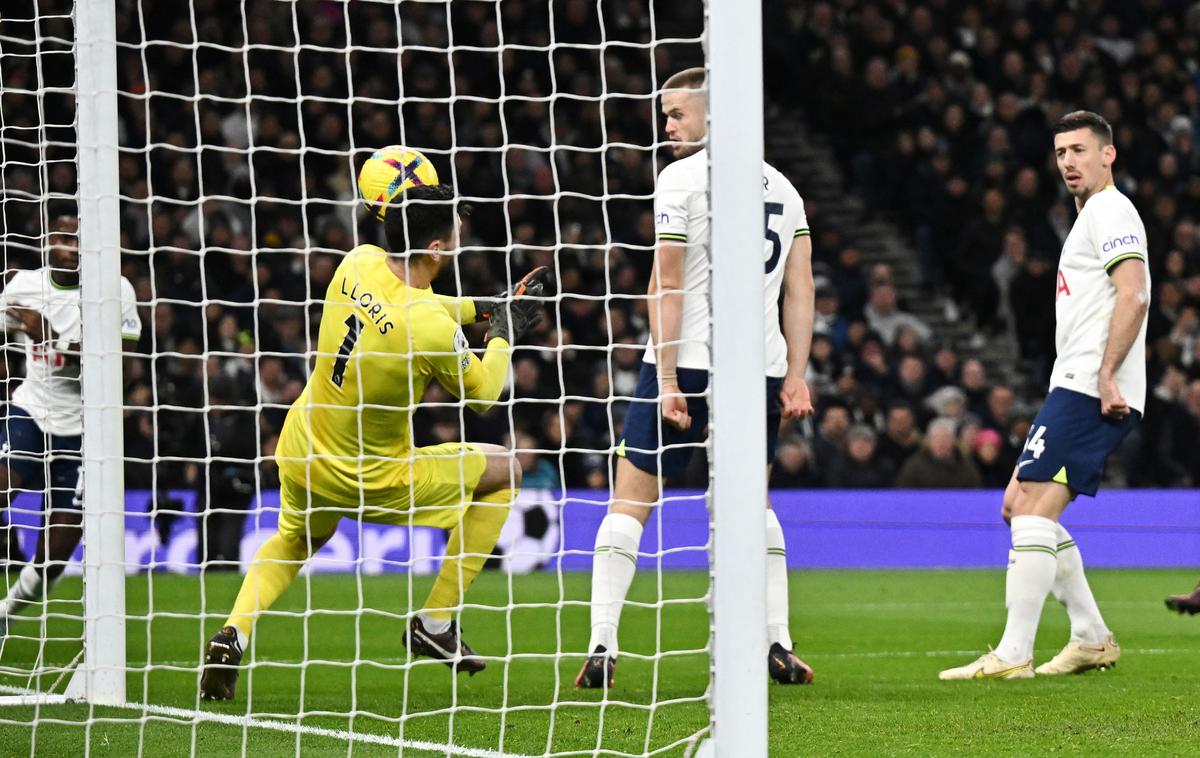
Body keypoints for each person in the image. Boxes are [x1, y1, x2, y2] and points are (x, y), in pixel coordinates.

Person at [200, 184, 550, 699]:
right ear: (435, 249)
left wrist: (483, 309)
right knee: (506, 471)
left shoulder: (358, 261)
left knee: (294, 541)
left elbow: (416, 309)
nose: (459, 237)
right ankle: (434, 623)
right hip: (368, 475)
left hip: (301, 446)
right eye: (456, 231)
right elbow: (485, 396)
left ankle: (233, 633)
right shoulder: (427, 325)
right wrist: (502, 333)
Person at [576, 67, 816, 689]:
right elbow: (801, 289)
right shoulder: (784, 189)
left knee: (631, 500)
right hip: (758, 370)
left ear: (716, 115)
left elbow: (670, 282)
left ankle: (602, 642)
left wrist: (665, 377)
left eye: (678, 113)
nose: (668, 125)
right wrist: (795, 374)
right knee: (752, 509)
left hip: (688, 363)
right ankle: (778, 644)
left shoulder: (680, 179)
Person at [940, 111, 1150, 681]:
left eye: (1080, 150)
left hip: (1091, 384)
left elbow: (1134, 295)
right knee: (1016, 506)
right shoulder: (1088, 217)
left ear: (1108, 154)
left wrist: (1108, 374)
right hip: (1074, 380)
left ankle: (1013, 653)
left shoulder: (1111, 210)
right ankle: (1089, 636)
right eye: (1060, 153)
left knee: (1031, 507)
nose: (1068, 162)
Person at [0, 214, 142, 638]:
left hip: (86, 429)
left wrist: (55, 338)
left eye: (79, 238)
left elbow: (126, 368)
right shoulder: (23, 285)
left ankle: (4, 614)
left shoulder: (115, 290)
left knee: (56, 555)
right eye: (63, 237)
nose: (71, 246)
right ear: (49, 241)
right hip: (31, 412)